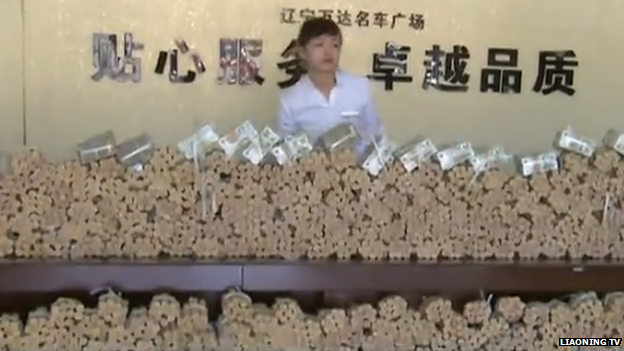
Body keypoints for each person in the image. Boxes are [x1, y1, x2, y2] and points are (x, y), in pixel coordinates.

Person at [277, 17, 385, 153]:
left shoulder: (361, 88)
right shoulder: (291, 100)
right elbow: (285, 150)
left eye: (335, 45)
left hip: (357, 171)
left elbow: (377, 136)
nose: (328, 52)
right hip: (312, 171)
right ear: (303, 52)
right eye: (319, 45)